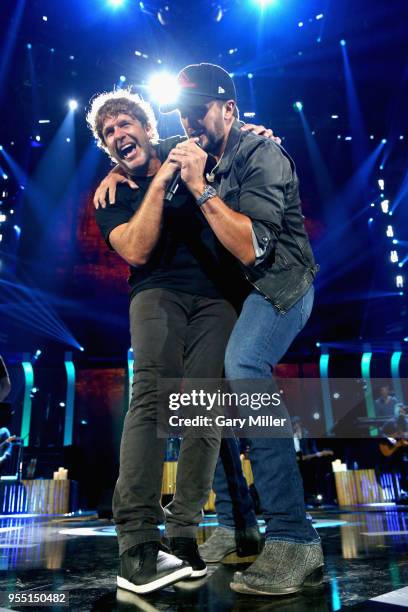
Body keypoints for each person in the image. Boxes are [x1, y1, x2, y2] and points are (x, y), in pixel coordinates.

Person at [87, 90, 271, 594]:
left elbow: (234, 141)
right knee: (151, 397)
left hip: (219, 298)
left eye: (126, 123)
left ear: (147, 127)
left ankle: (184, 535)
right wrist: (160, 179)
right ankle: (139, 543)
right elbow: (137, 250)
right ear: (106, 147)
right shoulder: (113, 193)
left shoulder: (188, 146)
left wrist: (259, 135)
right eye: (109, 132)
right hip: (156, 294)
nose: (120, 134)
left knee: (204, 411)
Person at [158, 62, 323, 596]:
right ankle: (235, 526)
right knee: (206, 388)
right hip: (241, 296)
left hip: (283, 286)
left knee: (244, 364)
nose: (188, 123)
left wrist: (201, 187)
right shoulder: (193, 143)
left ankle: (295, 538)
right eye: (182, 114)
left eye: (198, 111)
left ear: (229, 108)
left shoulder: (262, 152)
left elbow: (253, 247)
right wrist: (120, 167)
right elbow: (136, 146)